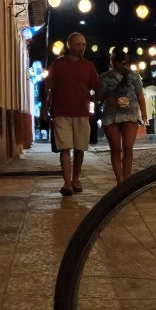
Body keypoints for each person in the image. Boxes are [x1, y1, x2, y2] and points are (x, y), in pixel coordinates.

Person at [44, 31, 101, 196]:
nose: (82, 47)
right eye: (78, 44)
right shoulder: (58, 65)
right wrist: (44, 108)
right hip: (61, 112)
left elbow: (97, 87)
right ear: (69, 45)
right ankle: (67, 183)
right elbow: (49, 87)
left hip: (81, 113)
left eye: (83, 44)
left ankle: (76, 179)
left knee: (80, 148)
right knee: (65, 148)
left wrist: (95, 106)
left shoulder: (88, 66)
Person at [99, 47, 147, 184]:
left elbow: (140, 96)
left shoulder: (133, 76)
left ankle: (125, 181)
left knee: (126, 148)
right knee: (117, 149)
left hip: (129, 114)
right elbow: (99, 96)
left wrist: (144, 115)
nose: (118, 64)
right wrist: (108, 98)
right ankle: (120, 181)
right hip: (111, 114)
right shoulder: (105, 77)